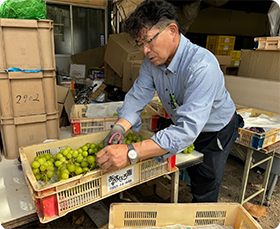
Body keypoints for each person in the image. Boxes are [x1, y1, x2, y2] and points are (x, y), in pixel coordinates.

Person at [96, 0, 244, 203]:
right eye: (140, 45)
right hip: (187, 124)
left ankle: (202, 217)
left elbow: (186, 129)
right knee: (191, 170)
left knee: (206, 184)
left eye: (148, 41)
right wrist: (120, 128)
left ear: (172, 30)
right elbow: (139, 94)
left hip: (215, 130)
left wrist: (131, 152)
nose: (145, 51)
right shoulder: (153, 62)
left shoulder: (201, 66)